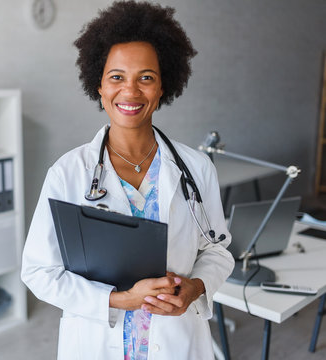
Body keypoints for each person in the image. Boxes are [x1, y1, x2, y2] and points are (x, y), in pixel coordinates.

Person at [21, 1, 235, 359]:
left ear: (163, 85)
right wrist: (119, 300)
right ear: (99, 85)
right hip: (95, 343)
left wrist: (196, 287)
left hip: (176, 340)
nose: (131, 92)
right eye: (117, 77)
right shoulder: (67, 173)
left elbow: (217, 250)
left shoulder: (196, 168)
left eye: (146, 78)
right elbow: (39, 271)